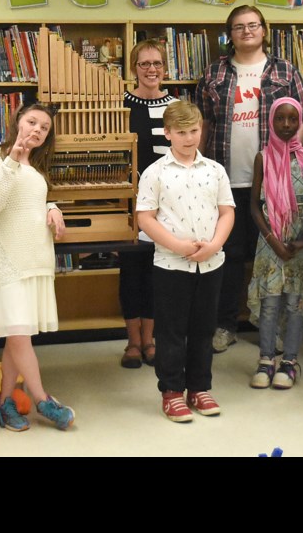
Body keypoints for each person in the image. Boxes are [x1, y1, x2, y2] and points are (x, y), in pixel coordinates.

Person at [195, 4, 303, 354]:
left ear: (264, 29)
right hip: (225, 179)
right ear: (229, 34)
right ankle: (225, 324)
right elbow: (203, 121)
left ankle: (270, 326)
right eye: (238, 26)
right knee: (227, 256)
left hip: (275, 183)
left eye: (253, 25)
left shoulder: (284, 70)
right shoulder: (215, 71)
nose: (246, 31)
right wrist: (199, 168)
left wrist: (291, 159)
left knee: (272, 254)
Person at [136, 100, 235, 422]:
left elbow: (227, 211)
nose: (189, 138)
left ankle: (199, 387)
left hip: (210, 263)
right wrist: (178, 245)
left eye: (194, 131)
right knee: (171, 331)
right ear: (167, 133)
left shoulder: (215, 170)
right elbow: (145, 218)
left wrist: (216, 244)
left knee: (204, 328)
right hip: (171, 265)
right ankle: (172, 391)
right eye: (181, 132)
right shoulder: (155, 172)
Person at [0, 103, 75, 432]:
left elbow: (29, 197)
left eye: (44, 128)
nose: (37, 129)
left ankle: (6, 402)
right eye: (32, 122)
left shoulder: (37, 164)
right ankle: (42, 399)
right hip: (7, 262)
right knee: (20, 337)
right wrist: (12, 159)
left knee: (15, 337)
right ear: (18, 121)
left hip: (35, 259)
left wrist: (53, 206)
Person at [246, 97, 303, 390]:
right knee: (270, 303)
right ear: (271, 122)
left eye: (293, 119)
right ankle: (266, 359)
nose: (287, 125)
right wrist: (272, 240)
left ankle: (289, 362)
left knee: (295, 302)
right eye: (281, 119)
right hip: (270, 241)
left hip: (301, 243)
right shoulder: (262, 157)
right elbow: (253, 205)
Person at [118, 39, 178, 368]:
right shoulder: (121, 105)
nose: (151, 70)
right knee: (131, 272)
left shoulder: (175, 107)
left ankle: (151, 340)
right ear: (134, 69)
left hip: (165, 205)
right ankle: (132, 342)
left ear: (165, 68)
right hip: (129, 202)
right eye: (144, 64)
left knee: (157, 272)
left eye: (156, 64)